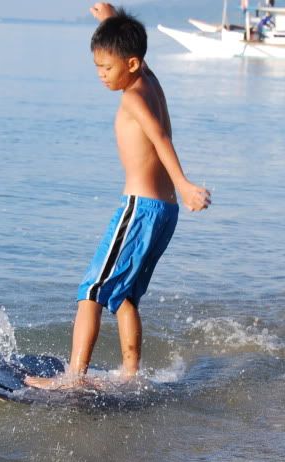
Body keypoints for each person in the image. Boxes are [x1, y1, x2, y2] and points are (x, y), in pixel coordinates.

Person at [25, 3, 211, 389]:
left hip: (140, 210)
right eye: (96, 67)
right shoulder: (149, 79)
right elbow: (134, 53)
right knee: (124, 295)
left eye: (106, 68)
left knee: (91, 292)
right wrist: (110, 20)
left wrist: (186, 183)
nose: (100, 76)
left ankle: (72, 379)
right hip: (164, 211)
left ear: (129, 64)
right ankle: (130, 373)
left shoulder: (133, 98)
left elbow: (161, 140)